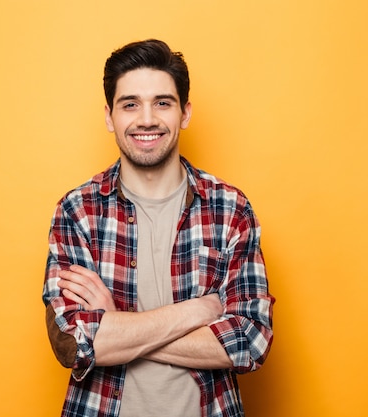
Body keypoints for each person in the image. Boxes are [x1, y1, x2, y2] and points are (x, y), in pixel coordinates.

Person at [43, 39, 274, 417]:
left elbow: (251, 342)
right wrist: (200, 310)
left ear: (184, 113)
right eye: (130, 104)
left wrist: (115, 323)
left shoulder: (230, 208)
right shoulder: (78, 211)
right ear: (109, 116)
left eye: (162, 103)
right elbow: (74, 343)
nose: (146, 118)